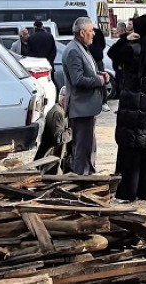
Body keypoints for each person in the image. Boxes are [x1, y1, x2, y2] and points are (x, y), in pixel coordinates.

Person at [107, 14, 146, 202]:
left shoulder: (132, 49)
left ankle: (126, 193)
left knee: (129, 151)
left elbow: (112, 54)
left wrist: (124, 38)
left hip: (132, 107)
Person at [62, 17, 110, 175]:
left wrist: (99, 74)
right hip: (81, 108)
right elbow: (78, 80)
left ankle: (89, 175)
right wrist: (100, 80)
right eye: (90, 31)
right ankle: (82, 180)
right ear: (82, 32)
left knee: (88, 146)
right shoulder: (74, 51)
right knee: (82, 149)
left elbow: (86, 71)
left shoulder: (81, 47)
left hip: (86, 108)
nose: (93, 34)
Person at [34, 86, 72, 174]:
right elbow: (58, 139)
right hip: (48, 163)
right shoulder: (57, 113)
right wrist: (72, 131)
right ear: (64, 100)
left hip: (52, 161)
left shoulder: (60, 110)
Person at [88, 26, 110, 112]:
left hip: (96, 59)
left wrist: (97, 50)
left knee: (101, 80)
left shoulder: (97, 32)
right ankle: (101, 102)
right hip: (93, 59)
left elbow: (103, 44)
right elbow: (103, 45)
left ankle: (103, 102)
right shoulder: (85, 32)